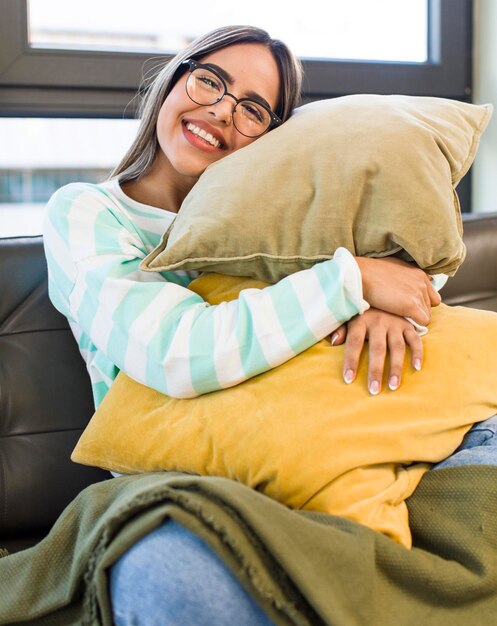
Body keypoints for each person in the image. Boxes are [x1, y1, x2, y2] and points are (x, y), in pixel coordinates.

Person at [43, 25, 444, 626]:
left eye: (253, 110)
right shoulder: (87, 214)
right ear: (175, 78)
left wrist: (388, 297)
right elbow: (174, 349)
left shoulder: (286, 222)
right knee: (173, 581)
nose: (221, 112)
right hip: (180, 484)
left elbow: (428, 275)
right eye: (210, 81)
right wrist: (349, 282)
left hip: (326, 450)